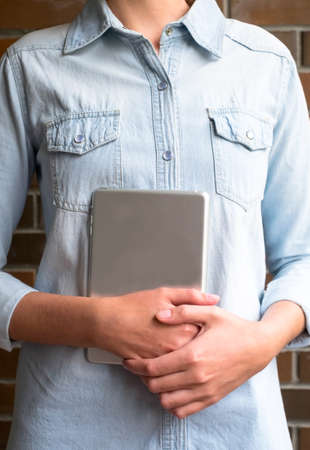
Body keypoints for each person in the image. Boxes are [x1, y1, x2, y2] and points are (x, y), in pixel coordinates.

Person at [1, 0, 309, 448]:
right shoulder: (30, 67)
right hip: (73, 427)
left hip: (236, 430)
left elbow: (304, 257)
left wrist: (260, 343)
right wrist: (93, 323)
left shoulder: (267, 65)